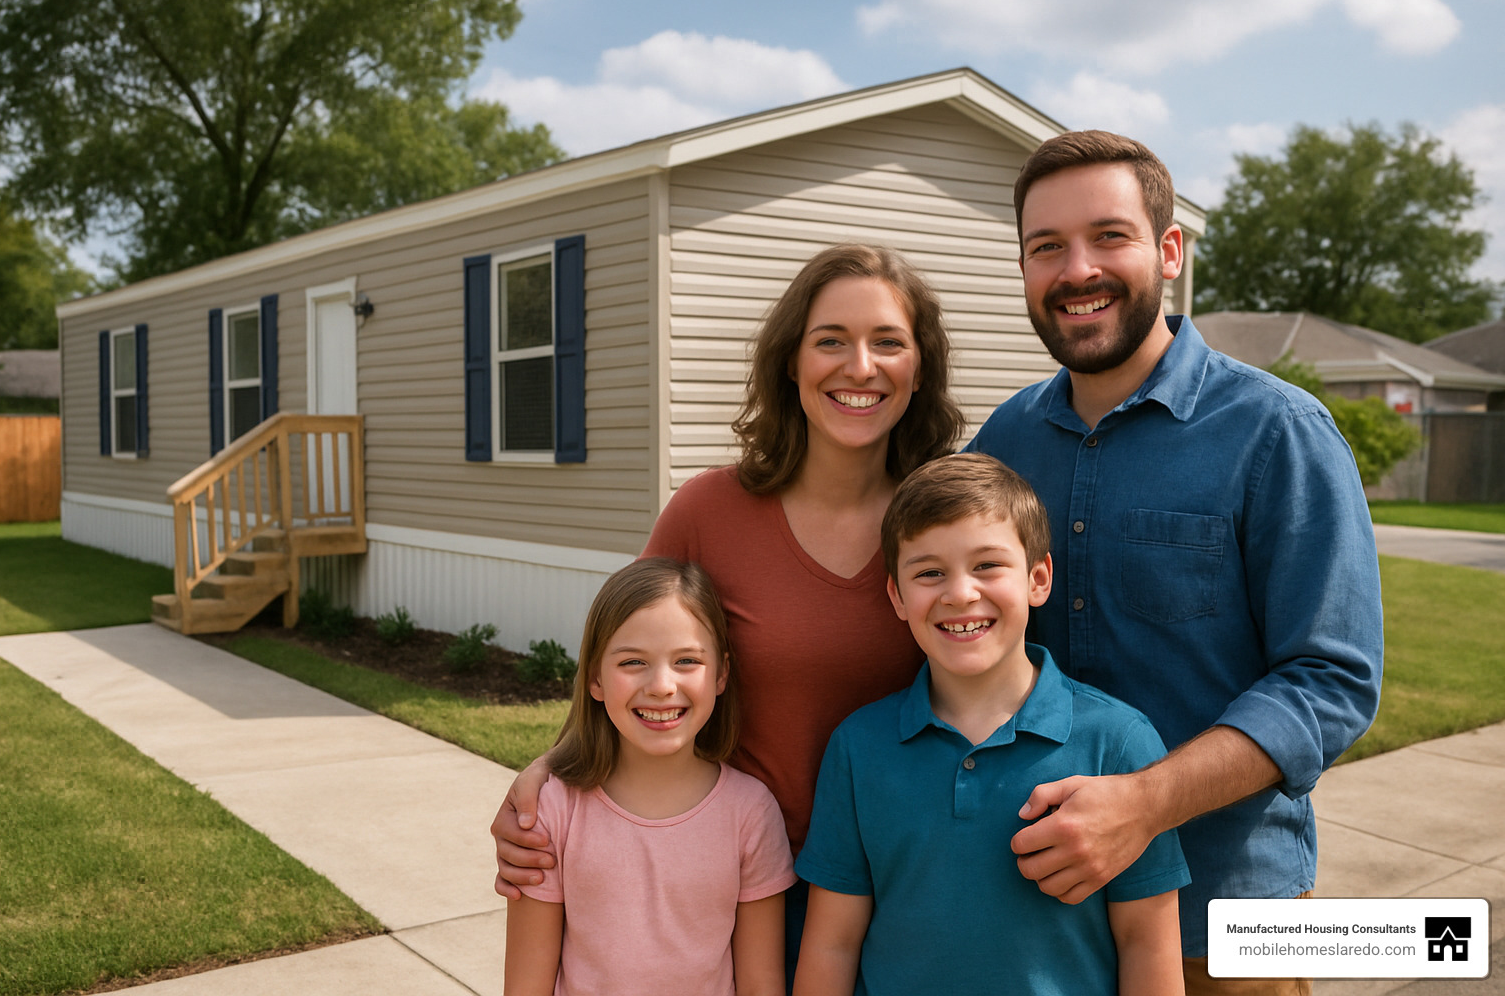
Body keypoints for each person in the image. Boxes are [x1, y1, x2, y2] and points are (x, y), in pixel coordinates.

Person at [966, 130, 1383, 995]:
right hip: (1039, 916)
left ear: (1168, 251)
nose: (1076, 269)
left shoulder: (1279, 433)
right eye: (1046, 247)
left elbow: (1331, 681)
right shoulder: (1004, 442)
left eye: (1108, 236)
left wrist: (1142, 805)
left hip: (1224, 929)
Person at [492, 243, 967, 976]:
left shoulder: (943, 527)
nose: (860, 367)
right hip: (731, 886)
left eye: (889, 343)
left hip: (906, 887)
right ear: (790, 361)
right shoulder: (708, 512)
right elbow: (629, 655)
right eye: (830, 341)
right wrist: (545, 778)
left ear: (919, 367)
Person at [793, 453, 1190, 996]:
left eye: (987, 566)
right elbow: (832, 944)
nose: (960, 593)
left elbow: (1148, 944)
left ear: (1039, 578)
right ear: (897, 597)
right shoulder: (858, 747)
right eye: (930, 572)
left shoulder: (1118, 743)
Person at [502, 557, 795, 996]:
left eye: (686, 660)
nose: (661, 685)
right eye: (633, 662)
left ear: (721, 674)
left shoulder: (751, 813)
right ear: (595, 679)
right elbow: (526, 987)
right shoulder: (554, 809)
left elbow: (761, 984)